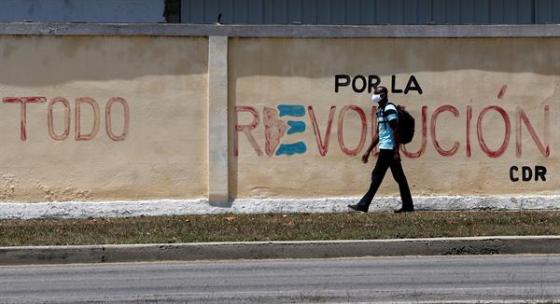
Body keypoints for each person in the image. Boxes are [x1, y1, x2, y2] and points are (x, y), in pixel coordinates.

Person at [348, 86, 414, 213]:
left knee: (377, 176)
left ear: (383, 95)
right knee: (399, 177)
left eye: (376, 93)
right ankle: (408, 206)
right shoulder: (380, 109)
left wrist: (396, 152)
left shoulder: (389, 109)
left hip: (389, 149)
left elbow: (396, 129)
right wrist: (368, 151)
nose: (374, 95)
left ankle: (363, 205)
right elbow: (379, 133)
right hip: (385, 148)